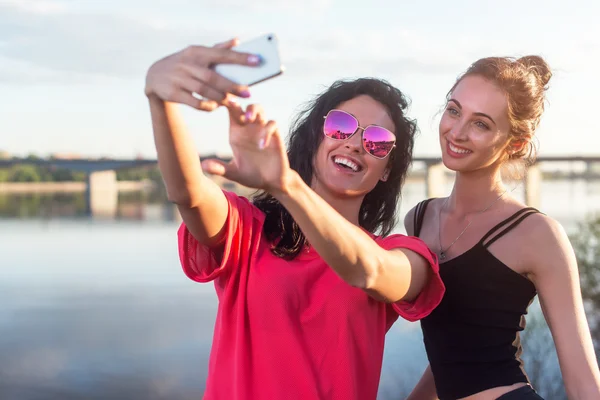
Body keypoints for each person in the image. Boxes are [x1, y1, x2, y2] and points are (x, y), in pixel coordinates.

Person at [144, 38, 445, 400]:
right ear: (316, 137)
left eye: (377, 141)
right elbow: (189, 194)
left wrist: (286, 185)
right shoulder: (248, 231)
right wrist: (160, 102)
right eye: (340, 126)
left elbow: (369, 271)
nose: (353, 143)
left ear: (386, 171)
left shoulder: (399, 253)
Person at [405, 55, 600, 400]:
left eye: (480, 124)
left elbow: (585, 384)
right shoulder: (419, 219)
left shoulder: (537, 235)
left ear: (516, 143)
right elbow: (452, 349)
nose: (457, 132)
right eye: (454, 110)